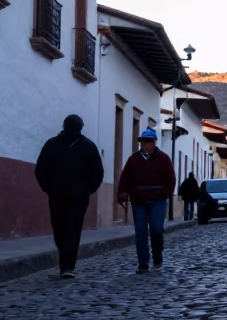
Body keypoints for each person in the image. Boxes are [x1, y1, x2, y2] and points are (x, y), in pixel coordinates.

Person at [33, 114, 103, 279]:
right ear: (64, 126)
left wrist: (88, 190)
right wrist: (48, 189)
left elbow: (98, 172)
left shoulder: (88, 146)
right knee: (58, 228)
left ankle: (67, 266)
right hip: (56, 195)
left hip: (79, 197)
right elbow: (41, 169)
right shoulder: (52, 145)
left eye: (76, 127)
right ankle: (65, 259)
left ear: (80, 128)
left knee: (72, 228)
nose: (74, 129)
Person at [116, 128, 175, 274]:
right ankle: (143, 263)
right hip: (138, 200)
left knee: (156, 229)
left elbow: (170, 178)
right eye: (142, 141)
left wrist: (165, 192)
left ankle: (157, 255)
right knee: (141, 232)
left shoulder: (164, 158)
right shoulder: (133, 159)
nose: (145, 144)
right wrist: (122, 194)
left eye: (148, 141)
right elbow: (125, 178)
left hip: (158, 200)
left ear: (154, 142)